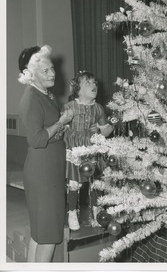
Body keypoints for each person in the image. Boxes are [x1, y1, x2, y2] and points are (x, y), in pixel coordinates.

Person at [18, 45, 73, 262]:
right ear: (30, 74)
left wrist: (63, 127)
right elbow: (37, 139)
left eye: (52, 69)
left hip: (50, 170)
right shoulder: (31, 98)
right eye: (45, 71)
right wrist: (61, 122)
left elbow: (50, 130)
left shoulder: (46, 95)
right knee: (49, 236)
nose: (52, 74)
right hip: (43, 174)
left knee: (40, 234)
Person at [63, 71, 113, 230]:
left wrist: (99, 129)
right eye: (88, 83)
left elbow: (107, 130)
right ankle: (72, 212)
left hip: (92, 147)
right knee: (74, 182)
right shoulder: (70, 107)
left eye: (95, 82)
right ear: (78, 90)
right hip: (75, 148)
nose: (94, 85)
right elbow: (61, 126)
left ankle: (97, 212)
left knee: (94, 181)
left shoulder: (98, 108)